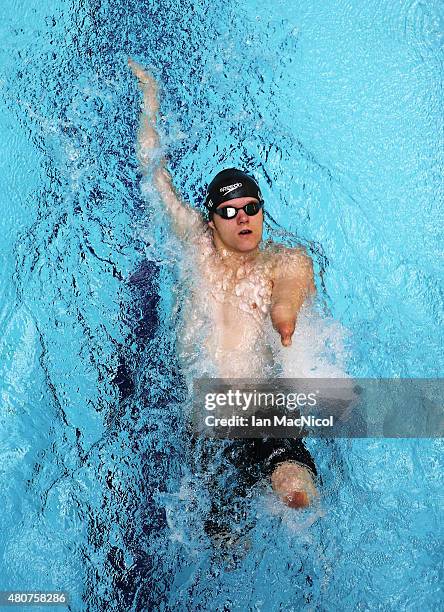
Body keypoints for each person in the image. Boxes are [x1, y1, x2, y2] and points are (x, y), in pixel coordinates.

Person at [128, 59, 319, 518]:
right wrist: (150, 98)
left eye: (251, 207)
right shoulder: (194, 244)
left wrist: (284, 313)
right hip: (206, 419)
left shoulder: (281, 258)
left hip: (262, 407)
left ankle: (326, 554)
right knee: (221, 538)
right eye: (229, 211)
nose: (243, 218)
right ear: (210, 220)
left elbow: (293, 285)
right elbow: (154, 176)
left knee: (294, 487)